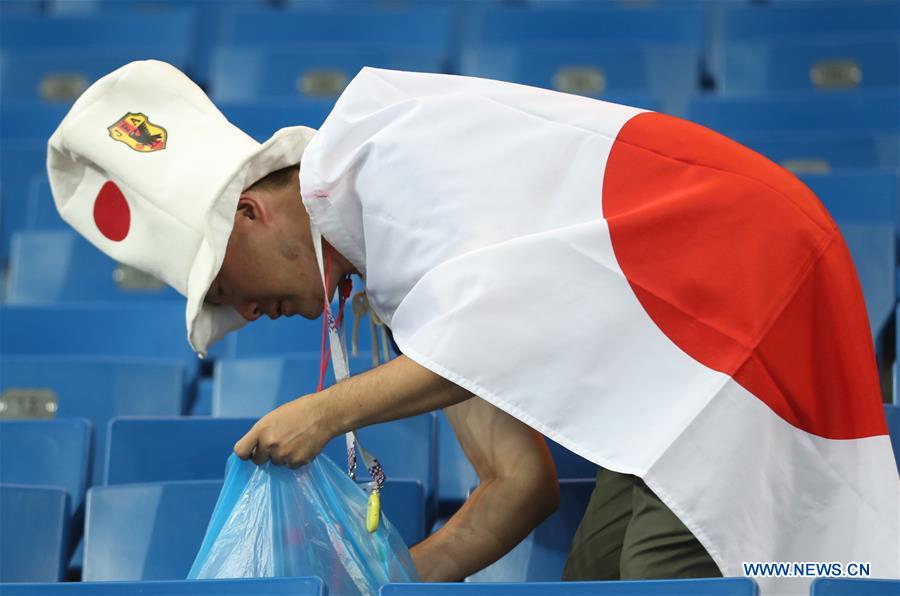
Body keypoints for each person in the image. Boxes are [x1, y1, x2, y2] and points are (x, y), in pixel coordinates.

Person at [48, 61, 898, 595]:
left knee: (655, 584)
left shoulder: (388, 150)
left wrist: (325, 412)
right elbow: (514, 482)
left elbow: (495, 337)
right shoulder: (386, 279)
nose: (249, 314)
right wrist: (383, 585)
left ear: (252, 213)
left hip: (742, 282)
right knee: (598, 580)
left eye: (225, 286)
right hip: (672, 363)